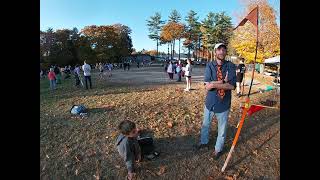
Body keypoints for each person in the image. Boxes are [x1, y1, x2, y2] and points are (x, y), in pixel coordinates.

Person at [194, 43, 236, 160]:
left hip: (223, 104)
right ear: (215, 52)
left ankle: (218, 149)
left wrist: (213, 84)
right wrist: (222, 81)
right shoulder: (209, 66)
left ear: (225, 52)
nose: (221, 52)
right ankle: (204, 142)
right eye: (219, 50)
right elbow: (207, 86)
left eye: (223, 50)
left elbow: (232, 86)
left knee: (221, 130)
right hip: (210, 103)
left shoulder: (231, 66)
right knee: (205, 125)